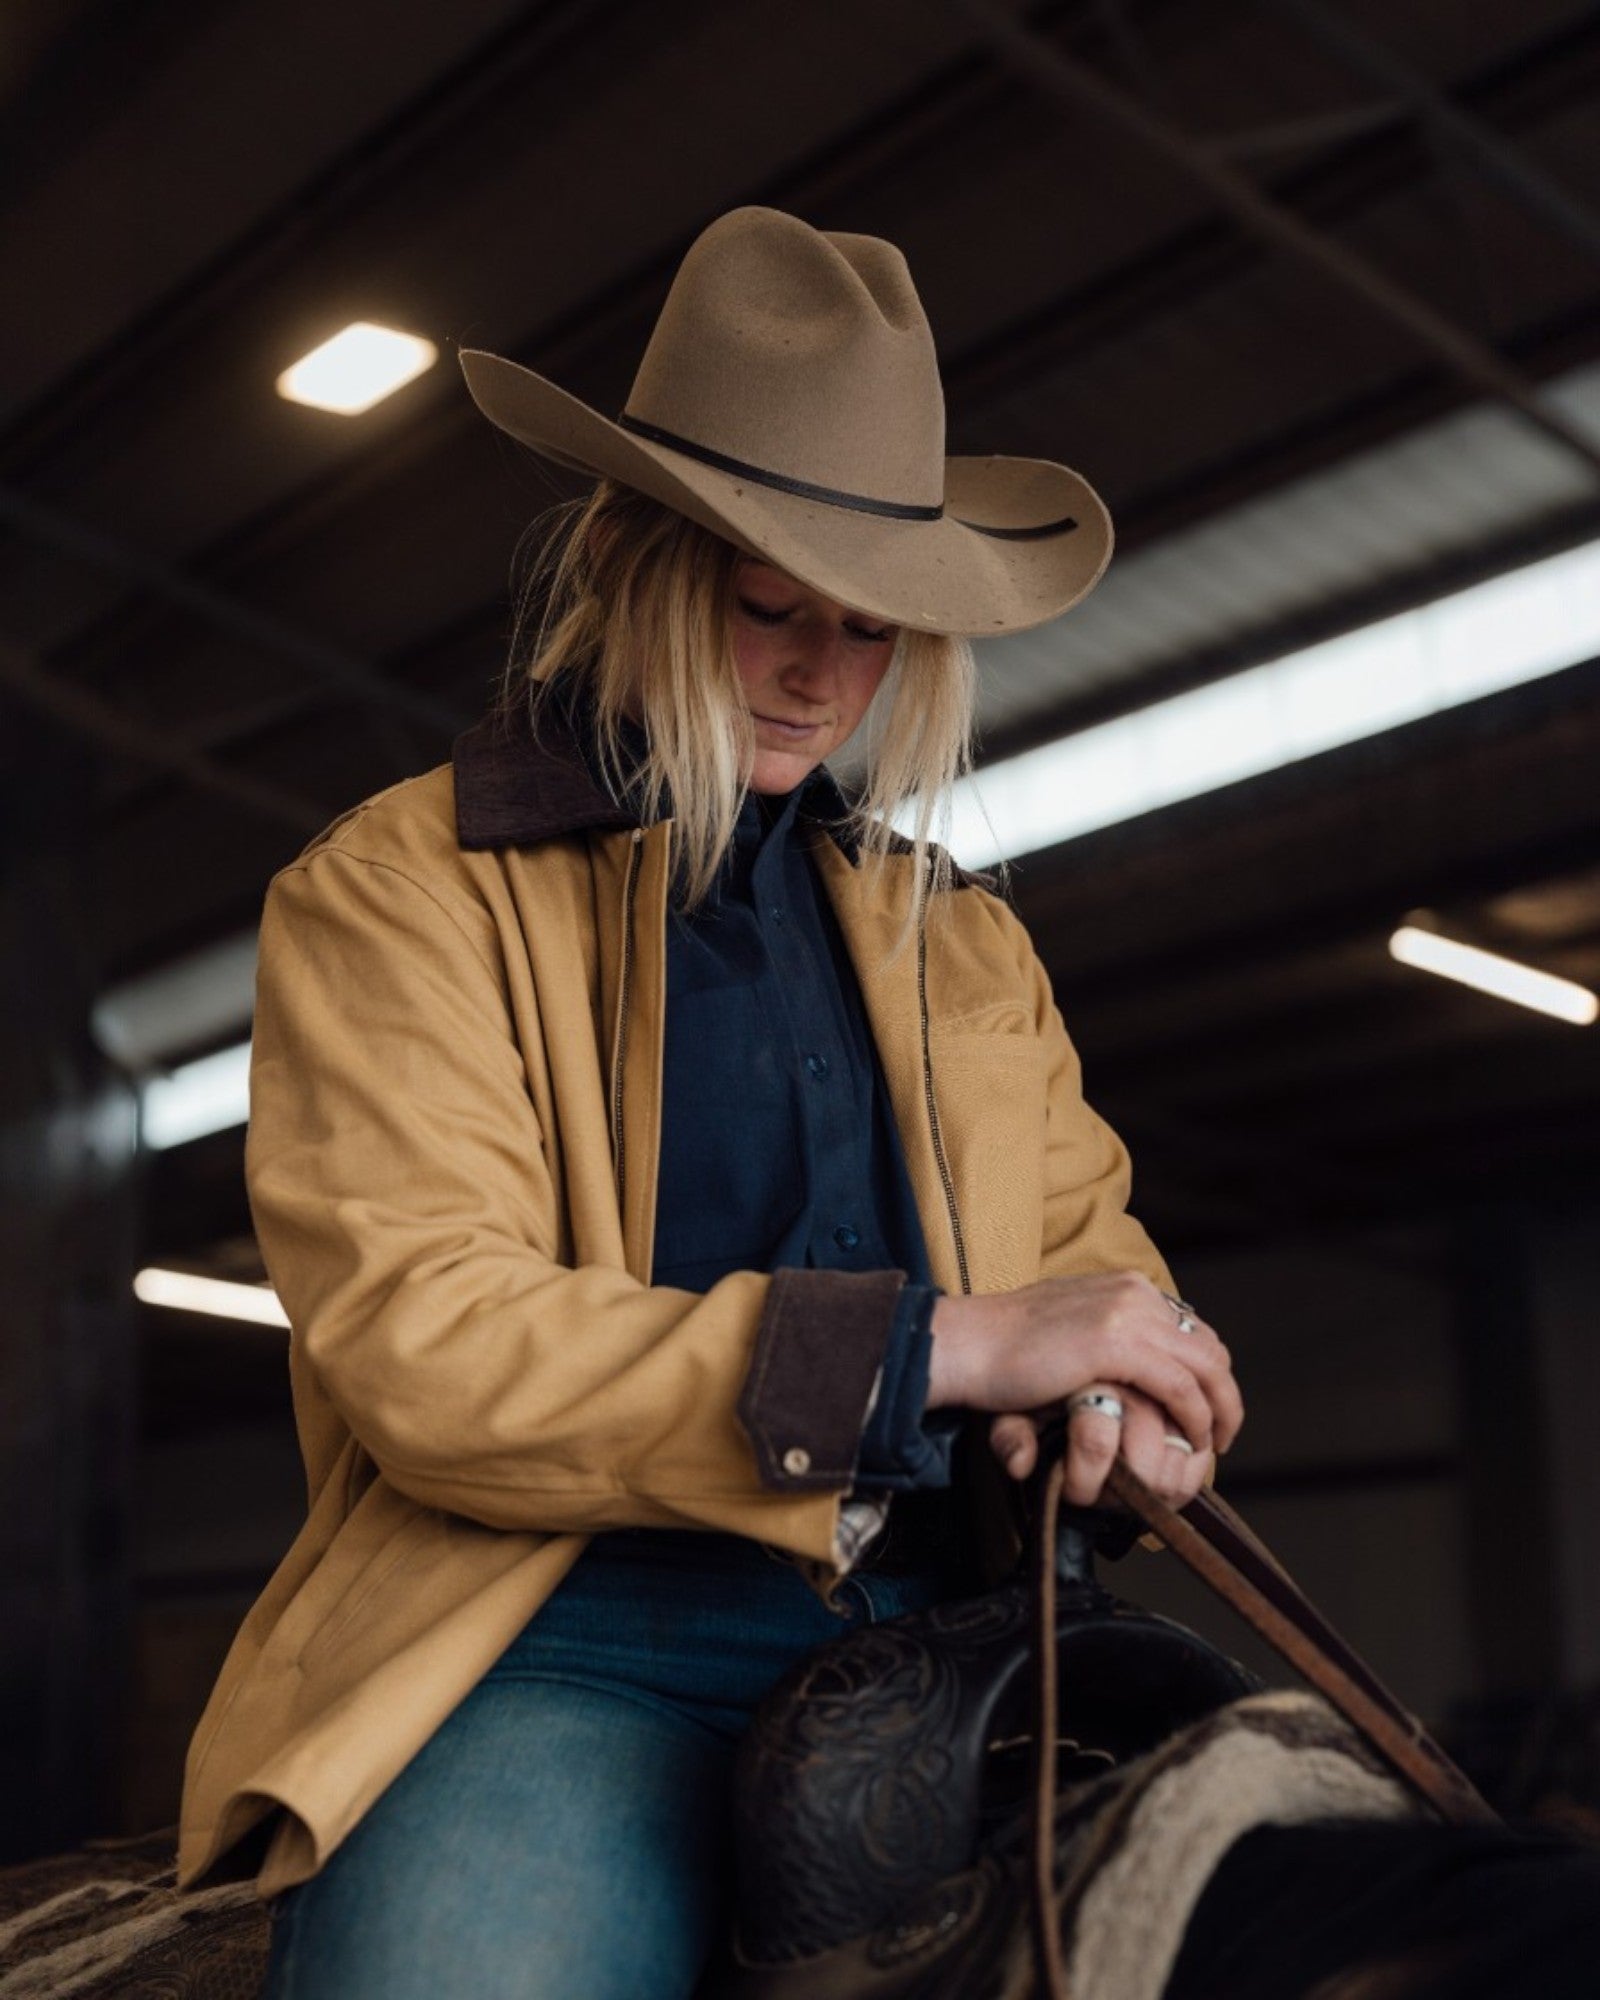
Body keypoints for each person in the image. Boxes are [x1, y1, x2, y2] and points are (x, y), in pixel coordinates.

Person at [176, 206, 1243, 1998]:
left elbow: (1090, 1270)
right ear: (628, 558)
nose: (823, 675)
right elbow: (433, 1342)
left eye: (872, 629)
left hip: (977, 1632)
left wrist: (1131, 1405)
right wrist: (945, 1349)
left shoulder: (966, 943)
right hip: (569, 1639)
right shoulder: (400, 894)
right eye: (768, 610)